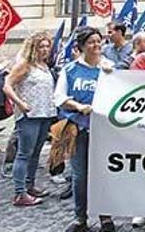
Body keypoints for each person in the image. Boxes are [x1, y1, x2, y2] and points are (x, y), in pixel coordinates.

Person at [54, 27, 115, 232]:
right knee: (80, 175)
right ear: (81, 46)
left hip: (104, 130)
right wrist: (79, 107)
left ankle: (106, 216)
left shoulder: (109, 68)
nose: (96, 45)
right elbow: (60, 98)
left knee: (103, 174)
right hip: (78, 128)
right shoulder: (70, 70)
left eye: (99, 41)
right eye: (91, 42)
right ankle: (80, 217)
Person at [4, 31, 56, 206]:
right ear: (33, 47)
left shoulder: (44, 65)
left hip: (45, 113)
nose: (45, 49)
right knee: (24, 153)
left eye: (47, 45)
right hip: (29, 115)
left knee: (35, 153)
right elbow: (7, 86)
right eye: (41, 46)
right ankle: (19, 192)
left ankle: (29, 185)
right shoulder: (25, 65)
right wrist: (19, 103)